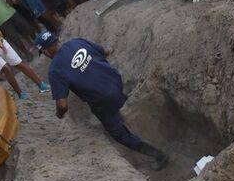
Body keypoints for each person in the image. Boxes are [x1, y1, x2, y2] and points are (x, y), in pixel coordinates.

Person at [35, 31, 169, 169]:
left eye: (43, 52)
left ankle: (158, 155)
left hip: (103, 100)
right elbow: (105, 52)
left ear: (45, 50)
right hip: (115, 82)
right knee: (122, 107)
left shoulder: (55, 70)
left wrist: (59, 114)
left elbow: (62, 105)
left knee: (118, 133)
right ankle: (157, 133)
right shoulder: (77, 42)